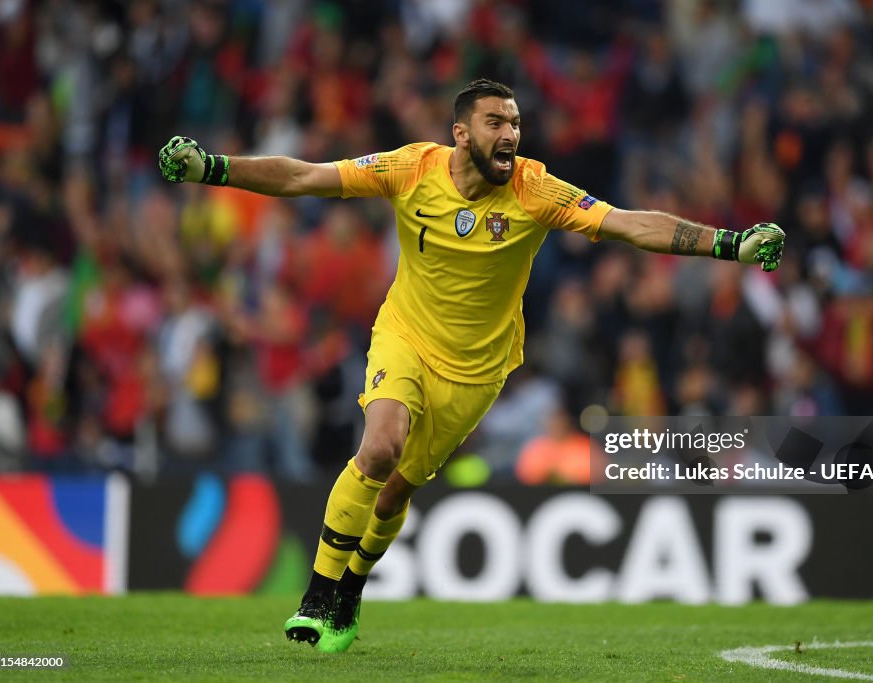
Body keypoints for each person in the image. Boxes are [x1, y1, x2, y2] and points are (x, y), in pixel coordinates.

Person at [158, 79, 785, 652]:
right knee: (380, 447)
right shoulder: (412, 169)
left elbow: (629, 225)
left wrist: (729, 243)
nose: (510, 133)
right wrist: (212, 168)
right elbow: (303, 178)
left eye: (514, 122)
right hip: (404, 335)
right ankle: (319, 596)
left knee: (397, 489)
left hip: (476, 372)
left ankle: (351, 591)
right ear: (461, 132)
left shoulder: (535, 190)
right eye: (494, 122)